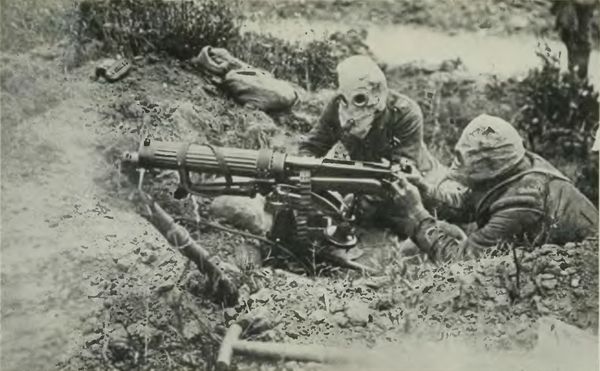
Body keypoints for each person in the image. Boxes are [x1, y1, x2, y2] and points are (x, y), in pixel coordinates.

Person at [386, 114, 599, 263]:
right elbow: (469, 204)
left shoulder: (524, 202)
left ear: (488, 166)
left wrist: (416, 214)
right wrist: (424, 189)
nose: (456, 162)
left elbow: (462, 261)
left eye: (462, 157)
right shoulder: (514, 166)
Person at [298, 55, 463, 226]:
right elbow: (311, 146)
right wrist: (310, 176)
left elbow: (402, 176)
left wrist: (356, 198)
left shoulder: (405, 113)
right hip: (367, 179)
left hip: (421, 179)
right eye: (359, 97)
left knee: (442, 215)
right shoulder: (338, 104)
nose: (368, 104)